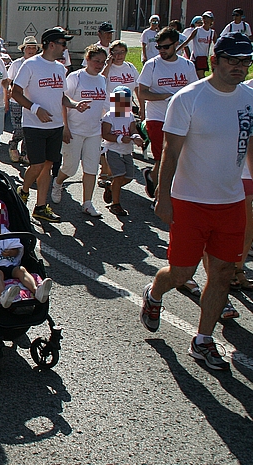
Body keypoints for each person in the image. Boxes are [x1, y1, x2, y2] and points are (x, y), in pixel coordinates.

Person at [141, 32, 253, 371]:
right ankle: (154, 294)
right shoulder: (189, 98)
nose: (240, 67)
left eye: (245, 61)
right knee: (181, 272)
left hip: (231, 202)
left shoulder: (249, 98)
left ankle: (203, 340)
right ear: (214, 60)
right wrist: (163, 196)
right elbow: (170, 151)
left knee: (221, 273)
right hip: (189, 201)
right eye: (232, 60)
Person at [11, 27, 91, 223]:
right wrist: (36, 108)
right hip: (34, 125)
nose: (65, 48)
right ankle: (23, 190)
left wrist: (74, 105)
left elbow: (61, 96)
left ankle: (40, 207)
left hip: (54, 126)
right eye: (63, 44)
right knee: (36, 165)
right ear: (51, 44)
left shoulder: (59, 68)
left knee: (47, 166)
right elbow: (15, 92)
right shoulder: (30, 65)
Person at [138, 27, 198, 202]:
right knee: (162, 159)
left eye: (165, 47)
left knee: (177, 158)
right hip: (157, 118)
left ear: (176, 44)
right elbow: (142, 93)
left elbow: (194, 92)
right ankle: (160, 197)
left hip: (181, 119)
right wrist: (164, 96)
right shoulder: (152, 65)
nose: (162, 51)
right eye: (159, 47)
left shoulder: (187, 65)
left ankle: (152, 178)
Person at [51, 44, 107, 217]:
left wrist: (121, 120)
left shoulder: (102, 79)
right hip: (74, 130)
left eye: (103, 62)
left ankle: (87, 203)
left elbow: (106, 105)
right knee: (70, 168)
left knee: (91, 168)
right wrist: (65, 128)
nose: (99, 65)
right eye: (96, 61)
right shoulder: (76, 77)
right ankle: (58, 182)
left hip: (94, 131)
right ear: (87, 59)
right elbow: (63, 102)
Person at [100, 86, 143, 216]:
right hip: (113, 151)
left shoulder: (129, 116)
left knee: (128, 177)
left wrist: (137, 137)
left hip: (127, 151)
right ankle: (115, 204)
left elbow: (133, 130)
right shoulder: (109, 116)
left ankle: (111, 188)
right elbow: (105, 135)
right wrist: (119, 138)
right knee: (118, 177)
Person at [7, 36, 40, 163]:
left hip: (32, 101)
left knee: (29, 128)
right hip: (16, 101)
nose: (31, 50)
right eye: (28, 48)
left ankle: (26, 153)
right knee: (19, 128)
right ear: (23, 49)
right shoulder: (16, 64)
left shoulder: (39, 64)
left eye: (33, 48)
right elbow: (9, 81)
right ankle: (13, 144)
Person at [178, 11, 217, 78]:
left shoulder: (212, 33)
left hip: (204, 59)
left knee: (200, 77)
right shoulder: (197, 30)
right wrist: (176, 51)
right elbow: (186, 42)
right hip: (195, 58)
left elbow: (216, 46)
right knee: (195, 77)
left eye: (208, 18)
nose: (206, 20)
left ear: (212, 20)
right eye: (204, 18)